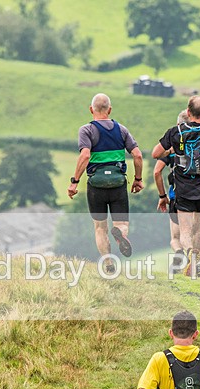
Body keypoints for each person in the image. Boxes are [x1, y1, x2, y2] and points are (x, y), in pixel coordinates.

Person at [152, 96, 200, 277]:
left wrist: (171, 150)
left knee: (185, 232)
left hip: (183, 190)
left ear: (189, 112)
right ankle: (196, 264)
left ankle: (189, 255)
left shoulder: (176, 132)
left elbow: (155, 153)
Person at [68, 93, 144, 272]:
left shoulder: (86, 130)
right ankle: (120, 235)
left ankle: (109, 264)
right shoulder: (122, 130)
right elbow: (138, 155)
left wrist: (74, 182)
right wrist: (138, 179)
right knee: (121, 224)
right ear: (109, 110)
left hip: (96, 187)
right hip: (118, 185)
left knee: (100, 227)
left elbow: (85, 155)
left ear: (91, 109)